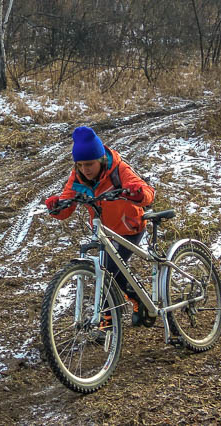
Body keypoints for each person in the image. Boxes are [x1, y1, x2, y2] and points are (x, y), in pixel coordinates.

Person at [45, 126, 155, 328]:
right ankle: (132, 303)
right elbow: (66, 206)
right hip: (104, 231)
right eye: (80, 165)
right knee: (107, 270)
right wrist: (56, 207)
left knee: (109, 269)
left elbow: (147, 192)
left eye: (90, 164)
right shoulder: (77, 177)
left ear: (101, 160)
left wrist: (137, 193)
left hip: (130, 227)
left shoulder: (119, 169)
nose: (85, 169)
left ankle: (112, 316)